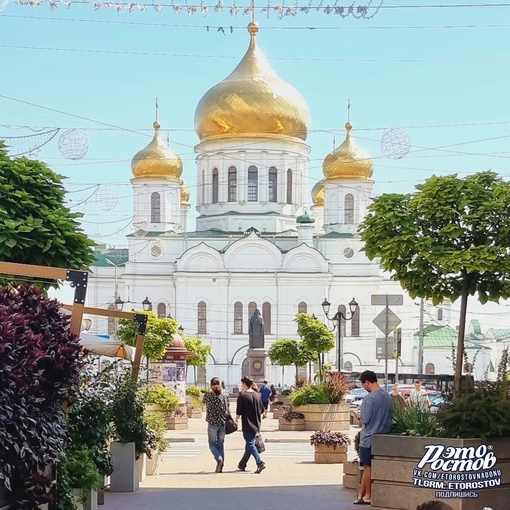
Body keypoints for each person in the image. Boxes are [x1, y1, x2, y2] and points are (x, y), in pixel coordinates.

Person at [354, 370, 393, 506]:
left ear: (367, 382)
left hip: (368, 438)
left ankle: (368, 496)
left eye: (364, 385)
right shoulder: (387, 396)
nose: (364, 388)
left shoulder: (369, 398)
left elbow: (365, 419)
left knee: (367, 467)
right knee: (372, 467)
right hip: (383, 437)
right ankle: (361, 495)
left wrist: (359, 417)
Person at [236, 375, 266, 474]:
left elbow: (239, 411)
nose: (241, 385)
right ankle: (242, 464)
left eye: (242, 384)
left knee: (250, 443)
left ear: (244, 384)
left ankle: (260, 462)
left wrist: (236, 420)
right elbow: (262, 410)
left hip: (247, 424)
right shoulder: (258, 395)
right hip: (257, 424)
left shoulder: (242, 395)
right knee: (250, 444)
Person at [202, 377, 230, 473]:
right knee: (221, 445)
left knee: (212, 444)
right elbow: (228, 408)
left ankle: (219, 459)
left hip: (212, 423)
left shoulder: (208, 395)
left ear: (210, 385)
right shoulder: (224, 396)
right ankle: (221, 466)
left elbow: (203, 402)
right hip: (222, 423)